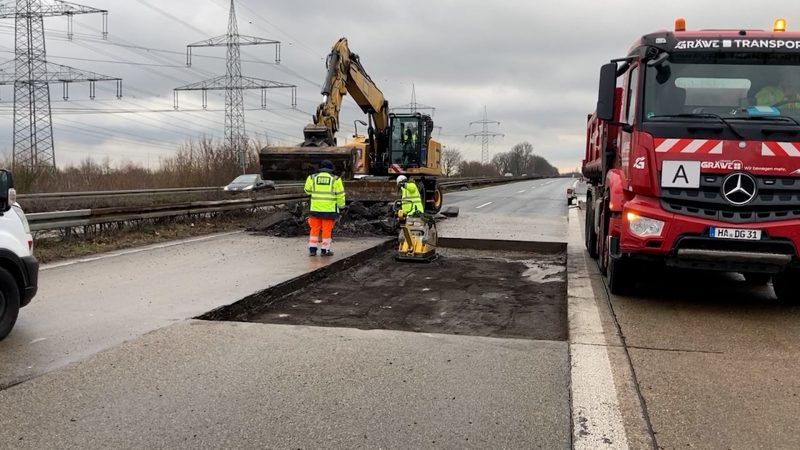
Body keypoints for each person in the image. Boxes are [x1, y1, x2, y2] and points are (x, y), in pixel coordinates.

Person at [304, 160, 345, 257]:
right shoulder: (336, 179)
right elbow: (340, 195)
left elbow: (307, 191)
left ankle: (312, 250)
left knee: (314, 229)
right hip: (329, 210)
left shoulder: (312, 178)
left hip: (315, 209)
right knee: (326, 230)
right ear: (331, 168)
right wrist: (341, 206)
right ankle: (325, 250)